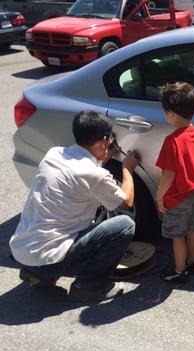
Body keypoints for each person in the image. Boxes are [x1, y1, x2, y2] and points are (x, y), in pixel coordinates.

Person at [10, 111, 139, 302]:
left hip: (22, 251)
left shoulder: (54, 154)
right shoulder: (94, 175)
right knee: (125, 224)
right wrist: (127, 169)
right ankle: (87, 286)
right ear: (104, 140)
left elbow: (80, 177)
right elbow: (126, 202)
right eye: (110, 138)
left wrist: (102, 160)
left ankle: (40, 275)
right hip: (49, 258)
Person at [156, 82, 194, 283]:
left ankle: (179, 271)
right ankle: (193, 263)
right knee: (192, 229)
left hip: (178, 197)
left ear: (170, 113)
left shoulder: (172, 141)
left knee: (177, 236)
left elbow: (168, 174)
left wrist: (160, 197)